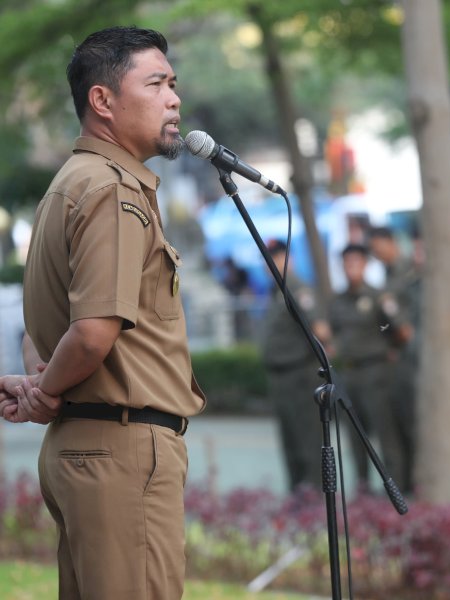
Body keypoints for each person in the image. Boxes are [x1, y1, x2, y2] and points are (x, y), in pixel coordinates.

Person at [0, 26, 205, 599]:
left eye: (174, 84)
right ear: (102, 101)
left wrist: (46, 387)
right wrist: (45, 396)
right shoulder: (112, 191)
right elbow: (91, 334)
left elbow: (38, 333)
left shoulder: (67, 184)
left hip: (85, 447)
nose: (174, 99)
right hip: (122, 449)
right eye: (158, 83)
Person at [325, 244, 410, 487]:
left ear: (365, 264)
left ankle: (397, 487)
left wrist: (391, 351)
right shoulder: (337, 302)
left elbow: (402, 332)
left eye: (356, 261)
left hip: (377, 372)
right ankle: (363, 490)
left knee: (386, 434)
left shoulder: (379, 297)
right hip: (350, 373)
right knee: (355, 436)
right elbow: (333, 335)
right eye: (347, 262)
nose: (351, 267)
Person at [260, 240, 322, 490]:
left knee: (307, 437)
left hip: (299, 374)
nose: (273, 262)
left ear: (289, 259)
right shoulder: (276, 291)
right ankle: (298, 492)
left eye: (278, 256)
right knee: (290, 440)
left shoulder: (298, 290)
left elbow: (319, 332)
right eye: (269, 258)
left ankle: (314, 493)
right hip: (281, 377)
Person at [368, 226, 417, 492]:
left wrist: (391, 313)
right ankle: (406, 482)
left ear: (391, 242)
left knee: (411, 425)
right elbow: (384, 324)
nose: (377, 254)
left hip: (411, 358)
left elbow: (407, 323)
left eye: (378, 248)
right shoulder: (387, 274)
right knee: (397, 425)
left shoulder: (407, 271)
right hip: (395, 358)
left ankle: (418, 481)